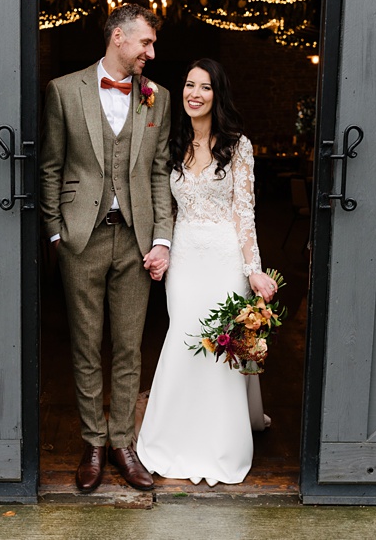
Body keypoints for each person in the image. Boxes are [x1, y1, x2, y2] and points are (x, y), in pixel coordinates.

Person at [39, 4, 174, 492]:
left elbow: (158, 172)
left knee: (128, 346)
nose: (151, 53)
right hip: (82, 238)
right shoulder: (63, 90)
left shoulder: (158, 98)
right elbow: (51, 167)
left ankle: (123, 443)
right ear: (118, 37)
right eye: (145, 43)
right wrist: (56, 233)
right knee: (85, 344)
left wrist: (162, 238)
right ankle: (93, 442)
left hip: (136, 240)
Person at [135, 58, 277, 486]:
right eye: (189, 85)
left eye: (205, 87)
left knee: (218, 347)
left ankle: (221, 442)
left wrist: (253, 269)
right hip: (184, 260)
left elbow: (244, 211)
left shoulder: (237, 145)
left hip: (222, 259)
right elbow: (167, 206)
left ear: (218, 94)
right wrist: (160, 250)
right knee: (182, 340)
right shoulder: (173, 142)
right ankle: (171, 436)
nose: (194, 93)